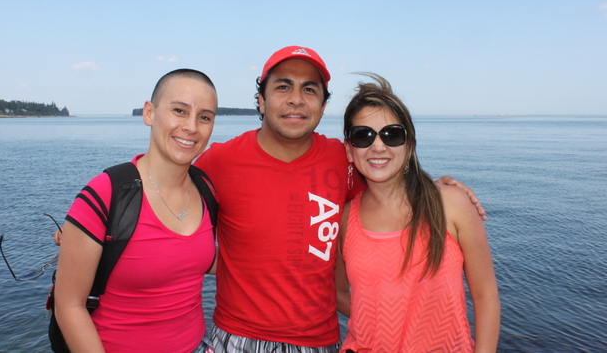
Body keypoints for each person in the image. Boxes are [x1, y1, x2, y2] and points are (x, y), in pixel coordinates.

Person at [193, 46, 487, 352]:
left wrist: (437, 188)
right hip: (238, 338)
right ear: (261, 101)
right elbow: (167, 218)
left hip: (320, 342)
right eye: (283, 86)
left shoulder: (344, 159)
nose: (296, 98)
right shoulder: (219, 162)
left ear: (322, 106)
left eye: (310, 89)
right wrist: (229, 263)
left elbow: (389, 179)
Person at [54, 69, 218, 353]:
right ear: (149, 113)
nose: (191, 126)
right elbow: (69, 306)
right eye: (179, 110)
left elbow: (198, 262)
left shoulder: (206, 190)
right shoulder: (107, 193)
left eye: (204, 117)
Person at [335, 73, 500, 352]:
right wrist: (381, 319)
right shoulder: (345, 218)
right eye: (363, 136)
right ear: (349, 150)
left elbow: (485, 297)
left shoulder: (450, 204)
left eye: (392, 134)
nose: (378, 145)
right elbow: (337, 293)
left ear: (409, 145)